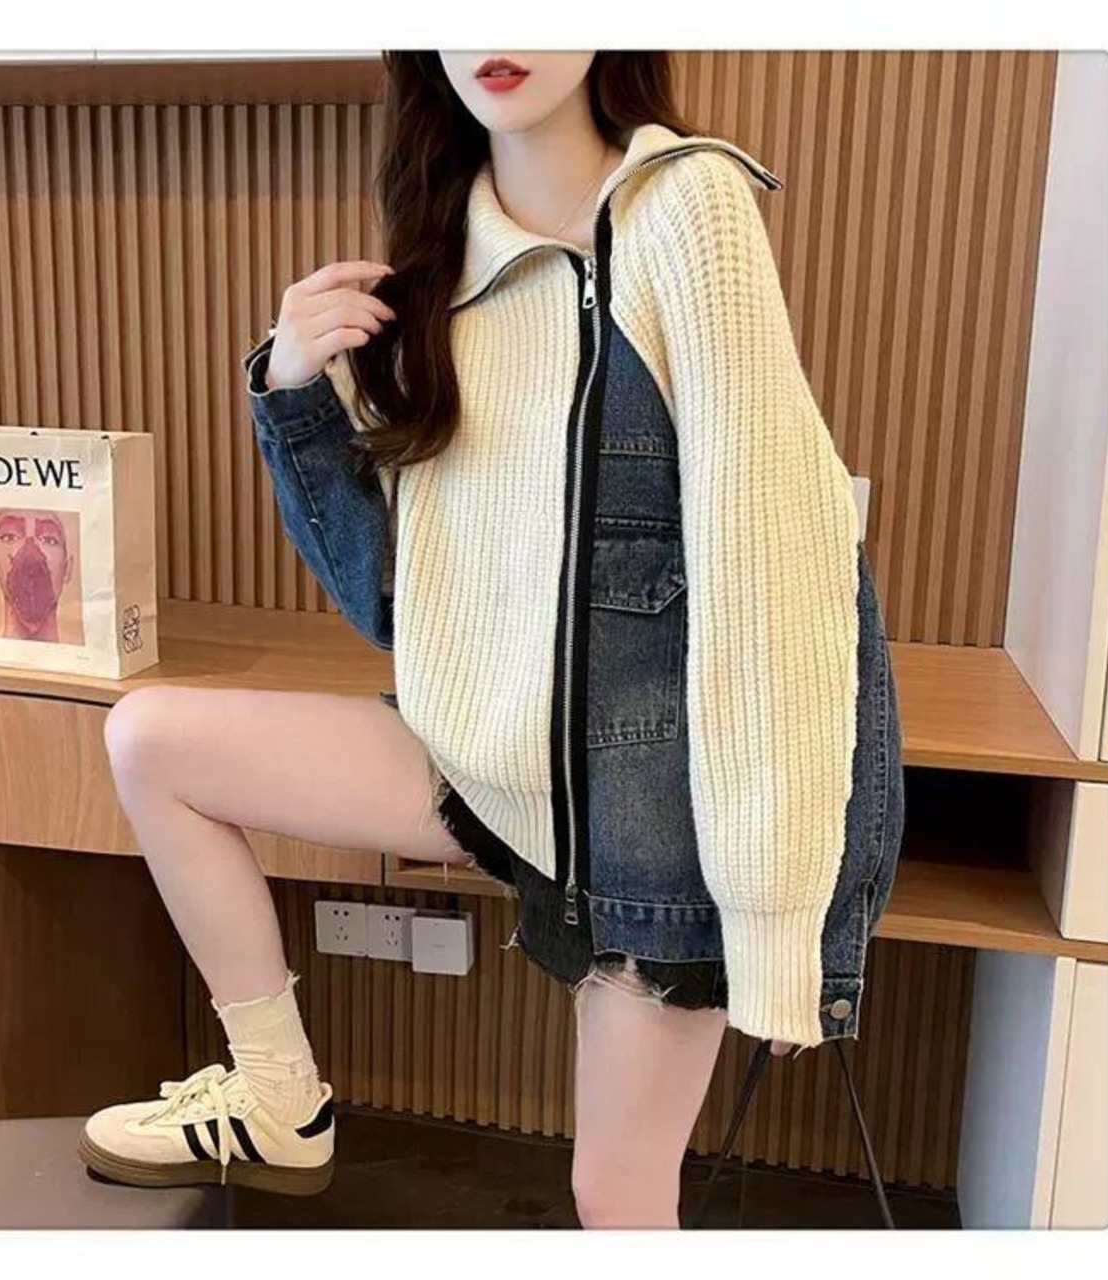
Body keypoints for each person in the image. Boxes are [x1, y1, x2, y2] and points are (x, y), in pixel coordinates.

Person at [79, 50, 904, 1228]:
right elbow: (397, 607)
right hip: (493, 764)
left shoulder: (686, 209)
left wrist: (778, 918)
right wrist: (296, 393)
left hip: (656, 821)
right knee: (152, 739)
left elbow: (775, 573)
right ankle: (275, 1094)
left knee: (614, 1192)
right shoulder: (442, 269)